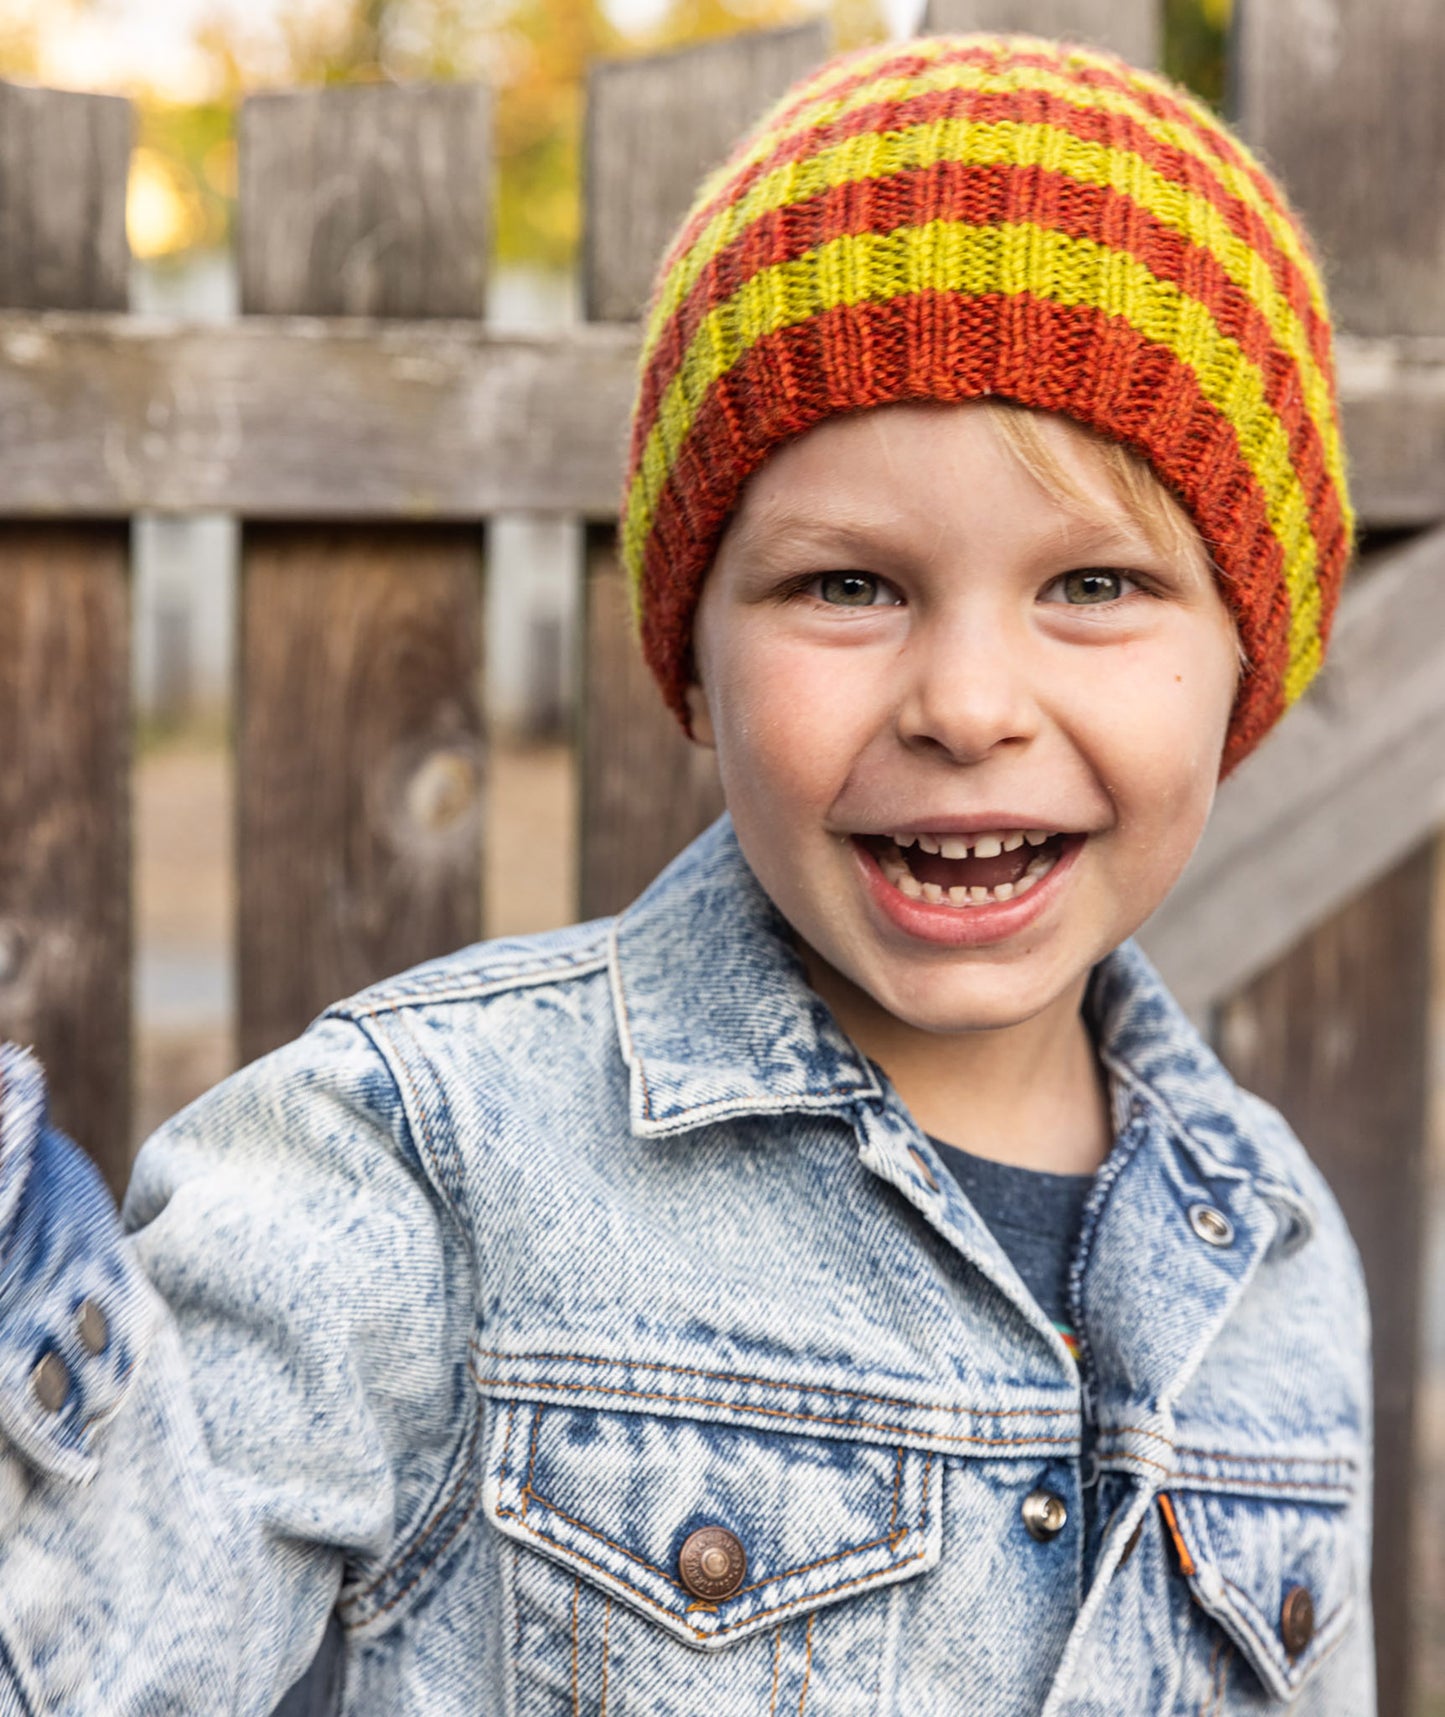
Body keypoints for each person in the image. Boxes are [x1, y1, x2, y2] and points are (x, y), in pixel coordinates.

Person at [0, 31, 1372, 1715]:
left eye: (1092, 585)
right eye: (847, 586)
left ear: (1247, 661)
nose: (965, 705)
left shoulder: (1276, 1250)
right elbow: (102, 1643)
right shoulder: (419, 1159)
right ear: (694, 660)